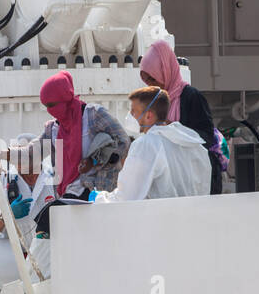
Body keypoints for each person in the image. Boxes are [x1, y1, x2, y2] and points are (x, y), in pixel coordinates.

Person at [95, 87, 210, 202]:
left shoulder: (146, 144)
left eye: (133, 111)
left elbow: (127, 196)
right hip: (193, 216)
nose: (130, 116)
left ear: (148, 116)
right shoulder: (189, 139)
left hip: (161, 217)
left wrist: (99, 198)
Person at [140, 39, 224, 194]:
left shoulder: (190, 97)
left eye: (153, 78)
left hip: (196, 179)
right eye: (147, 81)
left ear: (165, 70)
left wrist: (172, 128)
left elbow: (206, 136)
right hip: (172, 179)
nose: (151, 85)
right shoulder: (156, 102)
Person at [36, 70, 129, 200]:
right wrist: (5, 153)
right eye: (46, 106)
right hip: (67, 193)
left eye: (52, 105)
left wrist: (95, 161)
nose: (49, 110)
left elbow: (123, 141)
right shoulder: (53, 129)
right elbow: (32, 152)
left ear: (64, 97)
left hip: (97, 194)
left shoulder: (93, 115)